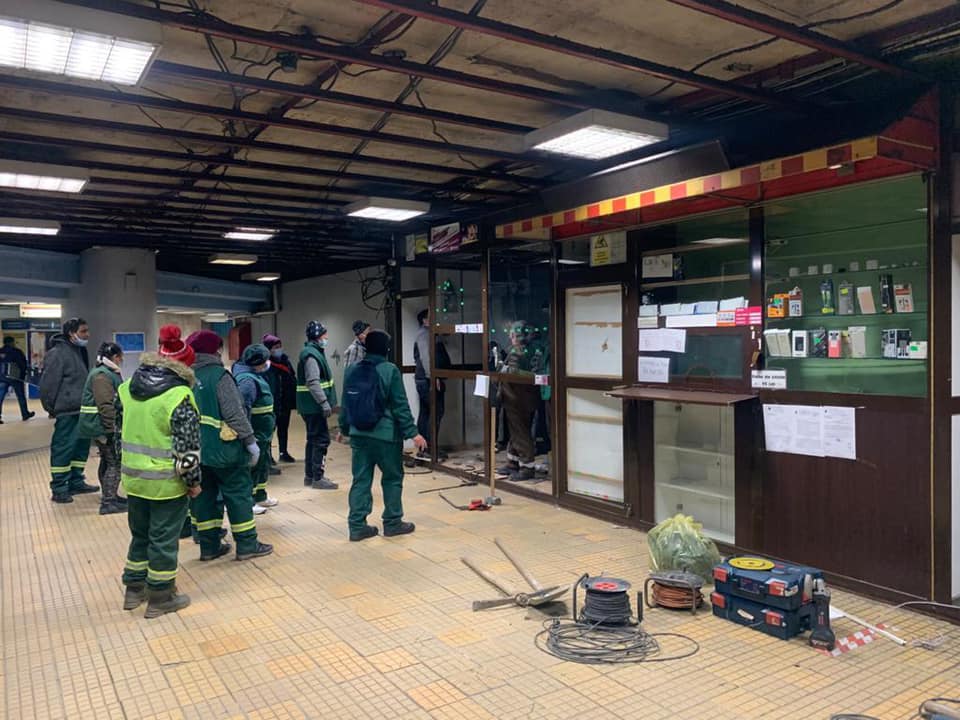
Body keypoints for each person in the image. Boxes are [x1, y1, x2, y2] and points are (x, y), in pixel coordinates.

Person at [116, 346, 201, 618]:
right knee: (163, 540)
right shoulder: (179, 395)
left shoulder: (126, 388)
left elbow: (118, 432)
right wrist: (193, 481)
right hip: (166, 484)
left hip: (133, 479)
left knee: (140, 535)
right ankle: (161, 597)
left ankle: (134, 589)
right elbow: (186, 446)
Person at [188, 330, 273, 562]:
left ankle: (209, 546)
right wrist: (250, 441)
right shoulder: (219, 376)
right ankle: (247, 544)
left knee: (205, 498)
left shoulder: (186, 377)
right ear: (214, 350)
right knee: (238, 495)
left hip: (195, 451)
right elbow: (234, 413)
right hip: (224, 450)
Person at [338, 329, 427, 541]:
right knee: (392, 478)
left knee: (360, 480)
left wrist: (344, 429)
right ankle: (393, 522)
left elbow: (346, 403)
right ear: (386, 349)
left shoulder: (352, 370)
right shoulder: (389, 370)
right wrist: (413, 433)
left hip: (359, 435)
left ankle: (357, 526)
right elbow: (400, 405)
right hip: (385, 437)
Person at [40, 318, 98, 503]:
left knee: (80, 448)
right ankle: (59, 488)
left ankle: (76, 481)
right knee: (63, 448)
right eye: (83, 331)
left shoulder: (79, 350)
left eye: (87, 331)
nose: (87, 335)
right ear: (71, 333)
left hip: (81, 410)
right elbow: (48, 384)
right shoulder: (57, 354)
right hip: (67, 411)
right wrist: (51, 407)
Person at [78, 341, 126, 515]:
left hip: (98, 425)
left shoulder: (105, 372)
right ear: (115, 357)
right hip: (101, 426)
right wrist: (112, 430)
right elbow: (106, 405)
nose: (121, 360)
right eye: (120, 357)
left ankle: (110, 495)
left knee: (107, 460)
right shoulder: (102, 375)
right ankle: (108, 502)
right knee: (115, 462)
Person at [497, 322, 545, 481]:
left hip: (516, 398)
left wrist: (503, 369)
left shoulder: (518, 352)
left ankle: (527, 467)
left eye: (513, 334)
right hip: (526, 397)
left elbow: (517, 374)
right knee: (516, 431)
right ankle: (513, 462)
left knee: (521, 433)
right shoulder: (534, 350)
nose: (511, 337)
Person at [233, 344, 278, 515]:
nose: (268, 363)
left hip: (263, 433)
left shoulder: (254, 375)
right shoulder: (247, 381)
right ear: (258, 362)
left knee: (262, 464)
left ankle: (260, 495)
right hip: (255, 433)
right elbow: (243, 409)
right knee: (251, 467)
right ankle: (249, 501)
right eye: (265, 360)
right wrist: (248, 435)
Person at [297, 320, 338, 490]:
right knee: (321, 440)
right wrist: (324, 403)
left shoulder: (313, 352)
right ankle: (318, 477)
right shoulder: (311, 356)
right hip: (314, 406)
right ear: (317, 336)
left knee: (312, 439)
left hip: (309, 405)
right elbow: (313, 382)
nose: (326, 337)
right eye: (324, 334)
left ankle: (310, 476)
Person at [413, 309, 450, 451]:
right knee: (436, 411)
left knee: (426, 412)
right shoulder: (424, 334)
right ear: (424, 320)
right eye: (432, 317)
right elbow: (426, 357)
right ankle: (430, 448)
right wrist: (433, 376)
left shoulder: (429, 334)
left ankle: (424, 448)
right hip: (428, 379)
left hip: (426, 378)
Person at [262, 333, 296, 463]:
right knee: (269, 430)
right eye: (275, 347)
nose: (279, 349)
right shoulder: (265, 365)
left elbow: (292, 378)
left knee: (283, 428)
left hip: (285, 401)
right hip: (272, 403)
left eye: (280, 346)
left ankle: (283, 452)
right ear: (268, 349)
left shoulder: (285, 361)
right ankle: (268, 455)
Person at [0, 336, 34, 423]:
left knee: (0, 397)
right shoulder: (16, 351)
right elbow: (22, 364)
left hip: (2, 378)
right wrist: (22, 376)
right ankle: (25, 414)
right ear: (11, 342)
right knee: (21, 396)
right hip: (15, 378)